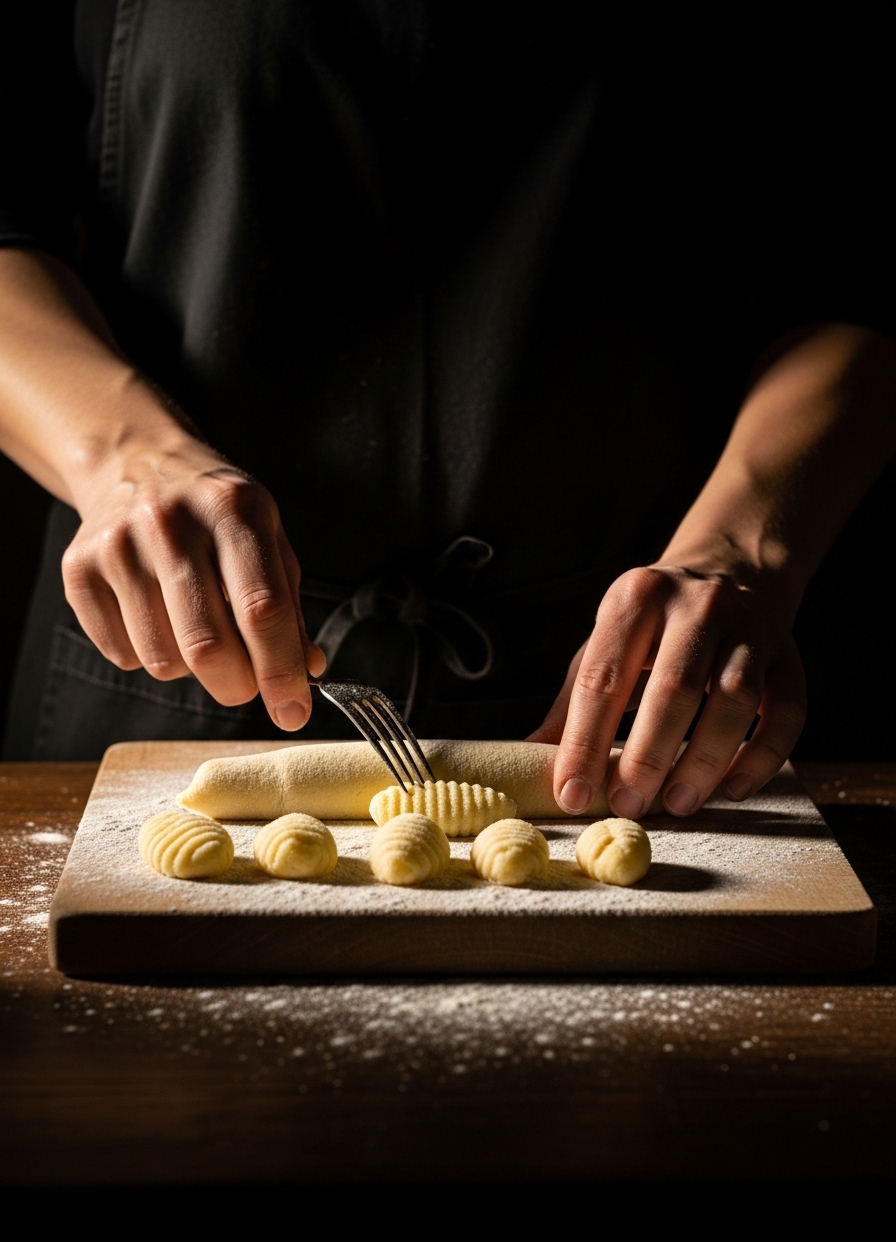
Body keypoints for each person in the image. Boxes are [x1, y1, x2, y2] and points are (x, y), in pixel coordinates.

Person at [1, 3, 894, 821]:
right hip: (176, 656)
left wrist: (741, 549)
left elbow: (855, 276)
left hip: (654, 690)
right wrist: (122, 456)